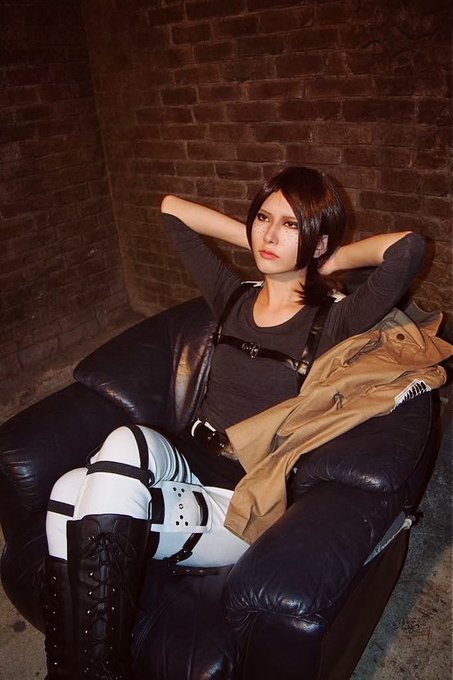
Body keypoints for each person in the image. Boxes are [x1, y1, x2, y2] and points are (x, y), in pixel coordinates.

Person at [41, 166, 426, 679]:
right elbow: (172, 211)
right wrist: (265, 239)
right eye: (263, 218)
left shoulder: (335, 320)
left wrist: (326, 257)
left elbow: (408, 248)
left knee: (99, 474)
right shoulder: (233, 296)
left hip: (243, 496)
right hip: (188, 462)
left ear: (318, 240)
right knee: (68, 489)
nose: (270, 234)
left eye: (291, 224)